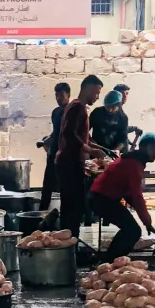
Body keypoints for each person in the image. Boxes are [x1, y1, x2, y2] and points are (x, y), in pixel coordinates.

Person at [89, 133, 155, 261]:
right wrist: (146, 221)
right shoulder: (133, 164)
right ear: (143, 147)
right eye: (153, 148)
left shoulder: (134, 160)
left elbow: (129, 194)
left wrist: (147, 222)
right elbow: (136, 195)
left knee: (131, 229)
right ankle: (110, 263)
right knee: (133, 230)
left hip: (102, 198)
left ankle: (110, 261)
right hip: (101, 199)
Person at [56, 75, 106, 239]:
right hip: (70, 165)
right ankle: (70, 245)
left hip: (70, 164)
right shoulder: (78, 107)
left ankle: (69, 243)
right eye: (97, 93)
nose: (97, 97)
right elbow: (69, 134)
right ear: (89, 88)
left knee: (72, 208)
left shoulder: (75, 107)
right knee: (72, 209)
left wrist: (96, 147)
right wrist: (91, 151)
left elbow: (80, 135)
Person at [39, 82, 70, 211]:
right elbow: (56, 132)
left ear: (68, 95)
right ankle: (40, 216)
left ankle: (65, 217)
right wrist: (47, 140)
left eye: (61, 95)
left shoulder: (71, 112)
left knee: (64, 188)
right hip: (53, 154)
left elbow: (69, 134)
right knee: (47, 187)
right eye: (56, 95)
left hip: (65, 156)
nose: (58, 98)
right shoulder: (55, 112)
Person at [112, 83, 143, 149]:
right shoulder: (112, 110)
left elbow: (121, 131)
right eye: (123, 93)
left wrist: (128, 141)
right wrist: (134, 128)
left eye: (127, 94)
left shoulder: (121, 113)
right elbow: (114, 129)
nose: (125, 96)